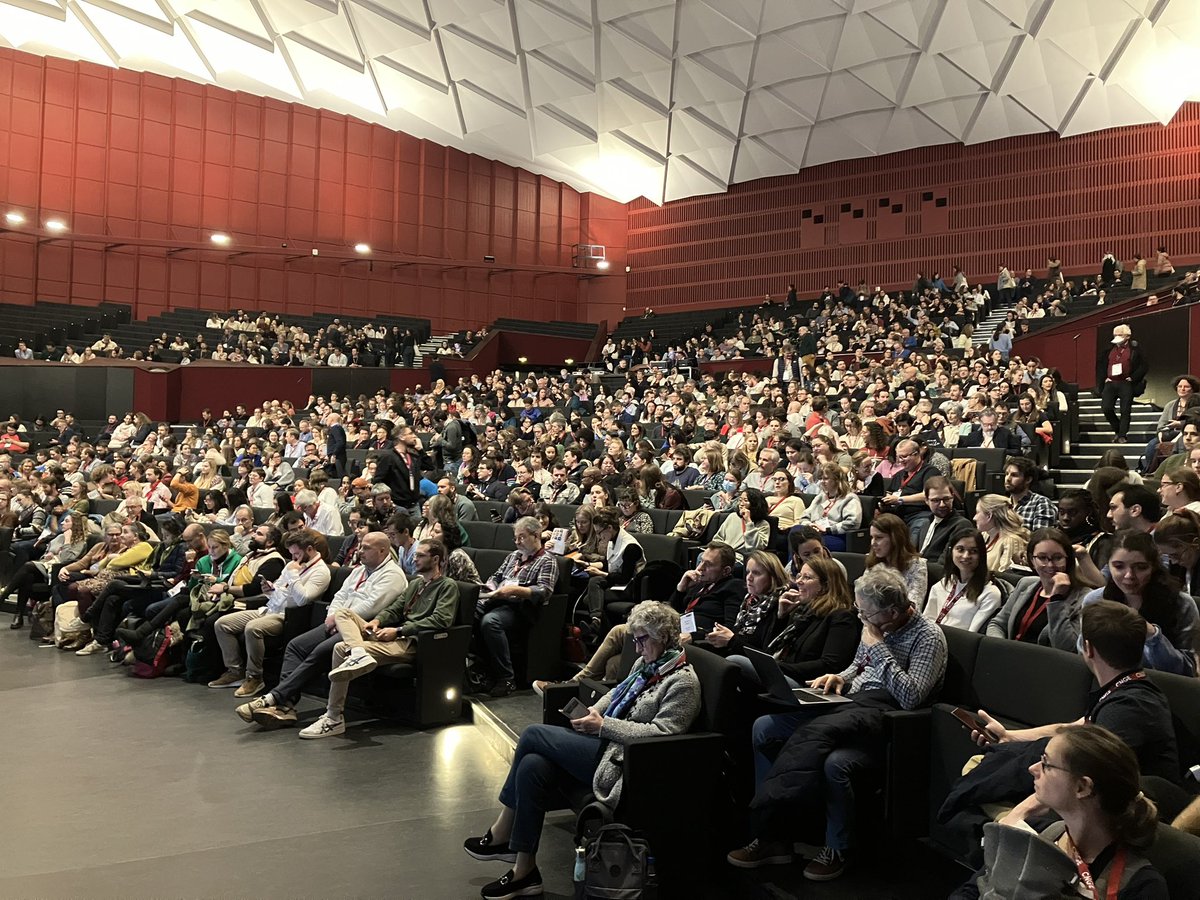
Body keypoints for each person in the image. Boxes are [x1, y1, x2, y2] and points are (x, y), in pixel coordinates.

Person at [463, 601, 700, 900]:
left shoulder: (683, 682)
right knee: (533, 765)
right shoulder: (648, 664)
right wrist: (593, 712)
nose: (637, 648)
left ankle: (502, 832)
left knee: (533, 734)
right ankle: (524, 870)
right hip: (607, 746)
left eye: (642, 640)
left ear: (663, 637)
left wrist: (604, 726)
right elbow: (617, 692)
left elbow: (663, 734)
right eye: (635, 640)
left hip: (627, 763)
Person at [728, 566, 947, 878]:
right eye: (859, 610)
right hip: (848, 706)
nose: (861, 617)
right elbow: (858, 666)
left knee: (836, 762)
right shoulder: (873, 622)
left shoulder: (928, 637)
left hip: (886, 724)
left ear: (893, 612)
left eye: (866, 613)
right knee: (764, 727)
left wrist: (878, 647)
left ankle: (838, 847)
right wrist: (838, 677)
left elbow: (911, 697)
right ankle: (773, 836)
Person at [950, 724, 1167, 900]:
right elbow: (969, 892)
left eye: (1046, 763)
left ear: (1082, 787)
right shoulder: (1034, 831)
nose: (1033, 769)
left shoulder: (1141, 886)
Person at [238, 531, 407, 728]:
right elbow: (340, 596)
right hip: (337, 621)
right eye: (360, 546)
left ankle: (275, 699)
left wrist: (339, 619)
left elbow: (371, 606)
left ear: (383, 550)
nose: (360, 551)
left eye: (366, 548)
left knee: (320, 652)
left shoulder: (393, 575)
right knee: (296, 646)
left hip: (362, 627)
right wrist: (332, 617)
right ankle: (285, 705)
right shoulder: (359, 570)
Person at [299, 538, 459, 739]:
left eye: (420, 555)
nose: (414, 559)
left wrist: (399, 631)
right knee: (343, 613)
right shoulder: (416, 583)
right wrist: (376, 621)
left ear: (435, 559)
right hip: (393, 635)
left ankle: (333, 717)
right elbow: (394, 609)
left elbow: (441, 619)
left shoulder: (447, 586)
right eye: (416, 555)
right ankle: (358, 652)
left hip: (411, 642)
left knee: (340, 648)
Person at [208, 528, 332, 697]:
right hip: (269, 608)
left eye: (296, 554)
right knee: (222, 624)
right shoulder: (292, 565)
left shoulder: (321, 571)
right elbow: (279, 588)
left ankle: (255, 677)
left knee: (253, 628)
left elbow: (303, 600)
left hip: (288, 616)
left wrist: (293, 574)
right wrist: (270, 589)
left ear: (309, 549)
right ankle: (235, 671)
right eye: (291, 554)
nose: (293, 558)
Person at [1060, 529, 1198, 676]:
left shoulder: (1181, 604)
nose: (1129, 576)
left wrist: (1152, 635)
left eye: (1141, 567)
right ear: (1108, 566)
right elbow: (1085, 654)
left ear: (1153, 567)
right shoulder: (1095, 600)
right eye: (1119, 566)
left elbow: (1187, 669)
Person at [721, 555, 860, 684]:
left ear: (825, 585)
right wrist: (781, 617)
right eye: (799, 575)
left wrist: (779, 667)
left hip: (805, 682)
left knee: (735, 661)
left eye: (807, 577)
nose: (798, 581)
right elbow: (768, 649)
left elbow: (830, 664)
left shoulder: (842, 616)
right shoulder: (802, 611)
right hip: (785, 671)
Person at [475, 516, 560, 698]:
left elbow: (544, 591)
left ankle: (506, 679)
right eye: (515, 538)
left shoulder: (547, 560)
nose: (517, 542)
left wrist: (515, 590)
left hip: (521, 608)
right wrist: (490, 588)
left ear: (536, 535)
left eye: (522, 537)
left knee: (490, 622)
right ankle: (478, 669)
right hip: (497, 599)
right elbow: (496, 577)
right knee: (469, 612)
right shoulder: (513, 556)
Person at [922, 530, 1003, 632]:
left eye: (973, 551)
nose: (965, 556)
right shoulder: (944, 583)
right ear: (951, 551)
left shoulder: (990, 594)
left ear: (982, 555)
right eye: (960, 549)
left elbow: (972, 635)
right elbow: (926, 622)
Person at [579, 506, 644, 630]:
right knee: (594, 581)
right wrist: (588, 565)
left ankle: (599, 626)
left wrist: (600, 573)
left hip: (630, 587)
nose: (598, 537)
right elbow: (609, 564)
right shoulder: (612, 539)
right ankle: (597, 622)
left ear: (609, 528)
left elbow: (625, 578)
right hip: (616, 582)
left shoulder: (630, 547)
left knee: (590, 599)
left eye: (599, 532)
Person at [865, 513, 928, 610]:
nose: (873, 543)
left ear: (896, 538)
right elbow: (863, 596)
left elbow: (914, 606)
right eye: (871, 537)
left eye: (879, 537)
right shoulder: (874, 561)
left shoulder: (917, 565)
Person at [1098, 324, 1148, 444]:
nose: (1117, 337)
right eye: (1115, 335)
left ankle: (1122, 435)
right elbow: (1101, 365)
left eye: (1120, 335)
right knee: (1106, 408)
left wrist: (1133, 378)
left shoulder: (1135, 349)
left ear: (1127, 336)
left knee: (1125, 410)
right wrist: (1104, 378)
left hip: (1125, 383)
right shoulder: (1109, 349)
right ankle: (1117, 429)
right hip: (1111, 383)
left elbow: (1144, 366)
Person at [796, 463, 861, 551]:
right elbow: (804, 516)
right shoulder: (821, 497)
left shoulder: (849, 498)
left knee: (805, 541)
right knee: (796, 530)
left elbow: (853, 522)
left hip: (835, 536)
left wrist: (827, 529)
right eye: (821, 478)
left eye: (826, 478)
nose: (822, 481)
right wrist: (810, 525)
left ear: (837, 480)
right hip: (815, 533)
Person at [911, 475, 973, 560]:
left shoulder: (961, 525)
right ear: (926, 500)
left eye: (946, 499)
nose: (942, 505)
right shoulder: (926, 523)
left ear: (953, 497)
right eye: (936, 500)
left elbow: (945, 563)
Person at [879, 439, 935, 531]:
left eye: (904, 457)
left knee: (921, 524)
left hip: (919, 514)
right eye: (898, 457)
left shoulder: (930, 471)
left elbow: (928, 495)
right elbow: (890, 492)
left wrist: (900, 500)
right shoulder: (899, 474)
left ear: (916, 454)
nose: (900, 461)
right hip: (897, 515)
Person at [712, 488, 771, 564]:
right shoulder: (732, 517)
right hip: (723, 554)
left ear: (755, 504)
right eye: (740, 500)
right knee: (702, 556)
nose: (741, 504)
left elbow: (755, 548)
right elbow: (718, 538)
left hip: (740, 558)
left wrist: (749, 522)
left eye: (745, 501)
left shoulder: (763, 524)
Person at [974, 493, 1030, 573]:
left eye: (977, 512)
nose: (974, 518)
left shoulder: (1011, 541)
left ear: (989, 516)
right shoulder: (984, 535)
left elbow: (1006, 576)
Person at [1004, 457, 1056, 530]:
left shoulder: (1041, 503)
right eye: (1007, 474)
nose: (1008, 479)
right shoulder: (1002, 504)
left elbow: (1041, 536)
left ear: (1028, 480)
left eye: (1014, 475)